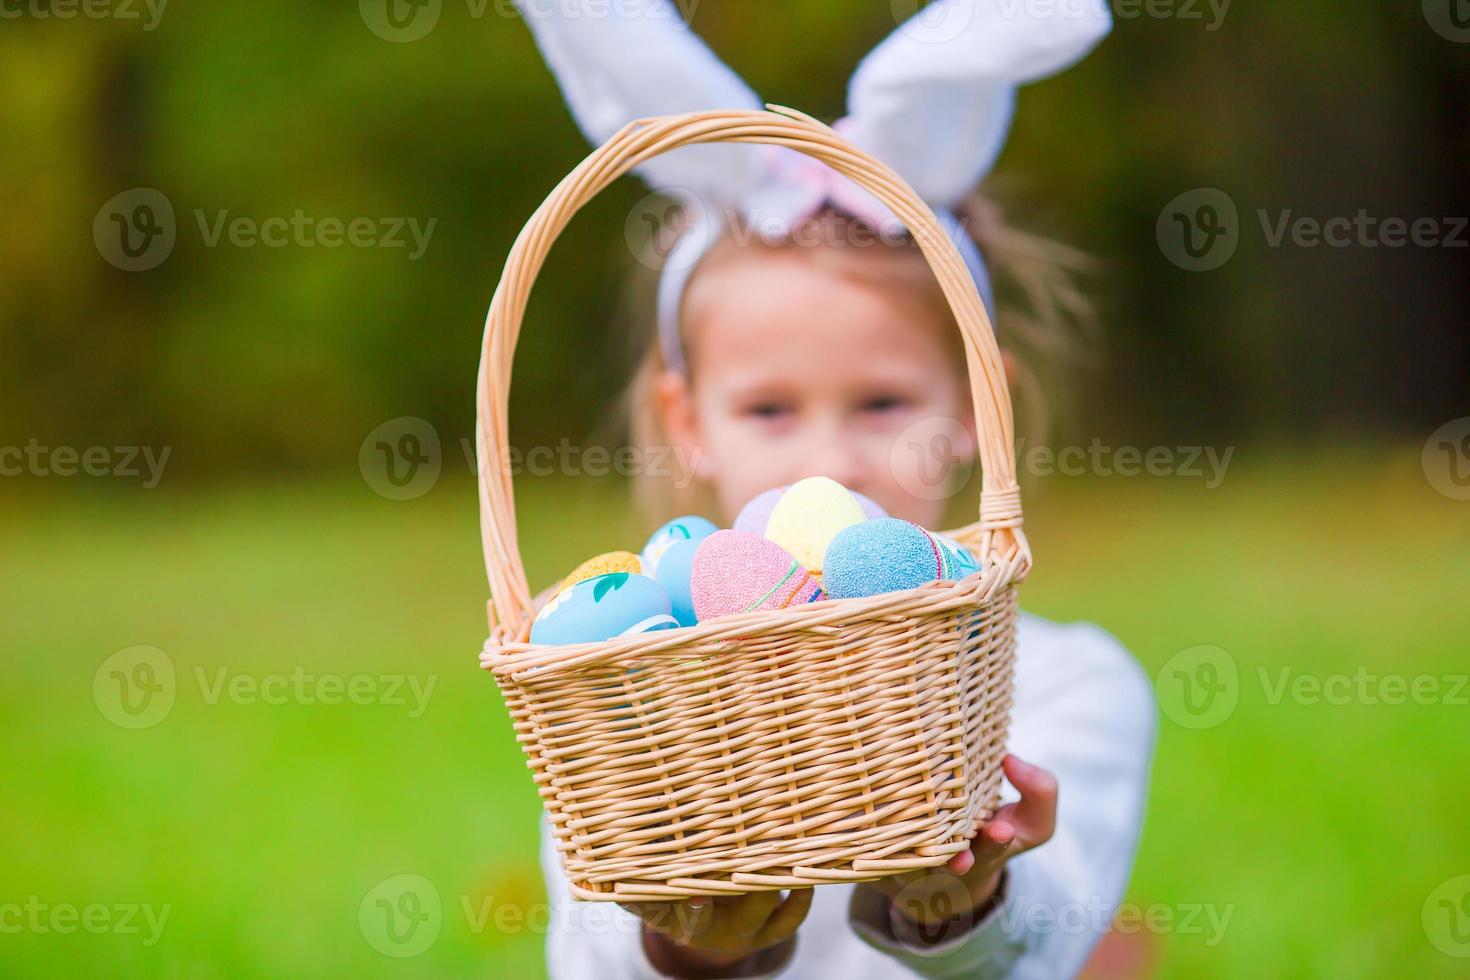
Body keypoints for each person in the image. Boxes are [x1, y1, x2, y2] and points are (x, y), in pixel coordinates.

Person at [513, 2, 1156, 976]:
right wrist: (684, 941)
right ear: (689, 422)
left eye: (885, 401)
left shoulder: (1066, 685)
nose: (829, 464)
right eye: (770, 409)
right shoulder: (636, 684)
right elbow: (593, 954)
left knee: (1114, 955)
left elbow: (1043, 942)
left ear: (981, 410)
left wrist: (969, 903)